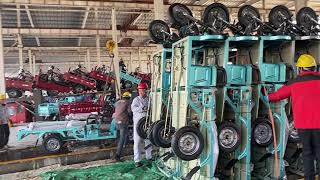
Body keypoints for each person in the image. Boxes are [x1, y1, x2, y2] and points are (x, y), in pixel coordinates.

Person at [264, 54, 320, 180]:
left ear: (300, 69)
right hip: (319, 124)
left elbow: (279, 95)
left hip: (303, 126)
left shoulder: (295, 83)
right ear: (314, 68)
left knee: (308, 154)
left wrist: (267, 97)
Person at [131, 83, 152, 167]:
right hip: (138, 125)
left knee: (148, 140)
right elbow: (133, 109)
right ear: (139, 91)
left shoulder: (148, 99)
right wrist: (142, 108)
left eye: (144, 91)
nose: (143, 92)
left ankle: (149, 157)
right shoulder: (136, 100)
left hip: (147, 124)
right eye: (141, 91)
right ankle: (137, 160)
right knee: (137, 142)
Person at [112, 91, 132, 162]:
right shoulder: (128, 102)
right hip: (123, 122)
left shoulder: (118, 102)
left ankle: (127, 143)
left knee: (123, 135)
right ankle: (117, 155)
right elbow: (130, 112)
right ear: (129, 97)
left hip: (116, 121)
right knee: (122, 138)